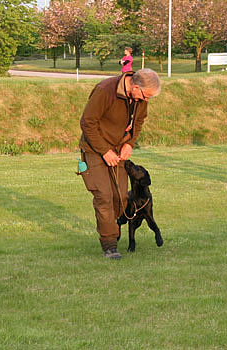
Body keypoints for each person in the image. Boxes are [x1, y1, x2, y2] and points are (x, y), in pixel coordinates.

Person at [79, 68, 161, 259]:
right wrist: (104, 150)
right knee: (104, 196)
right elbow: (87, 122)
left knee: (121, 197)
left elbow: (139, 121)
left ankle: (113, 229)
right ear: (135, 86)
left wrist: (129, 144)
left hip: (119, 149)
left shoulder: (140, 98)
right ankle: (110, 245)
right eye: (145, 96)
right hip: (94, 148)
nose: (146, 101)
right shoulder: (105, 90)